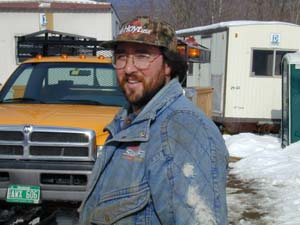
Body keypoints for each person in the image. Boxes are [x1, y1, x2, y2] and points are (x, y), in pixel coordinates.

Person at [79, 16, 229, 225]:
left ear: (168, 65)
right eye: (121, 56)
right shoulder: (130, 122)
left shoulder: (182, 129)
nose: (129, 68)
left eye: (142, 56)